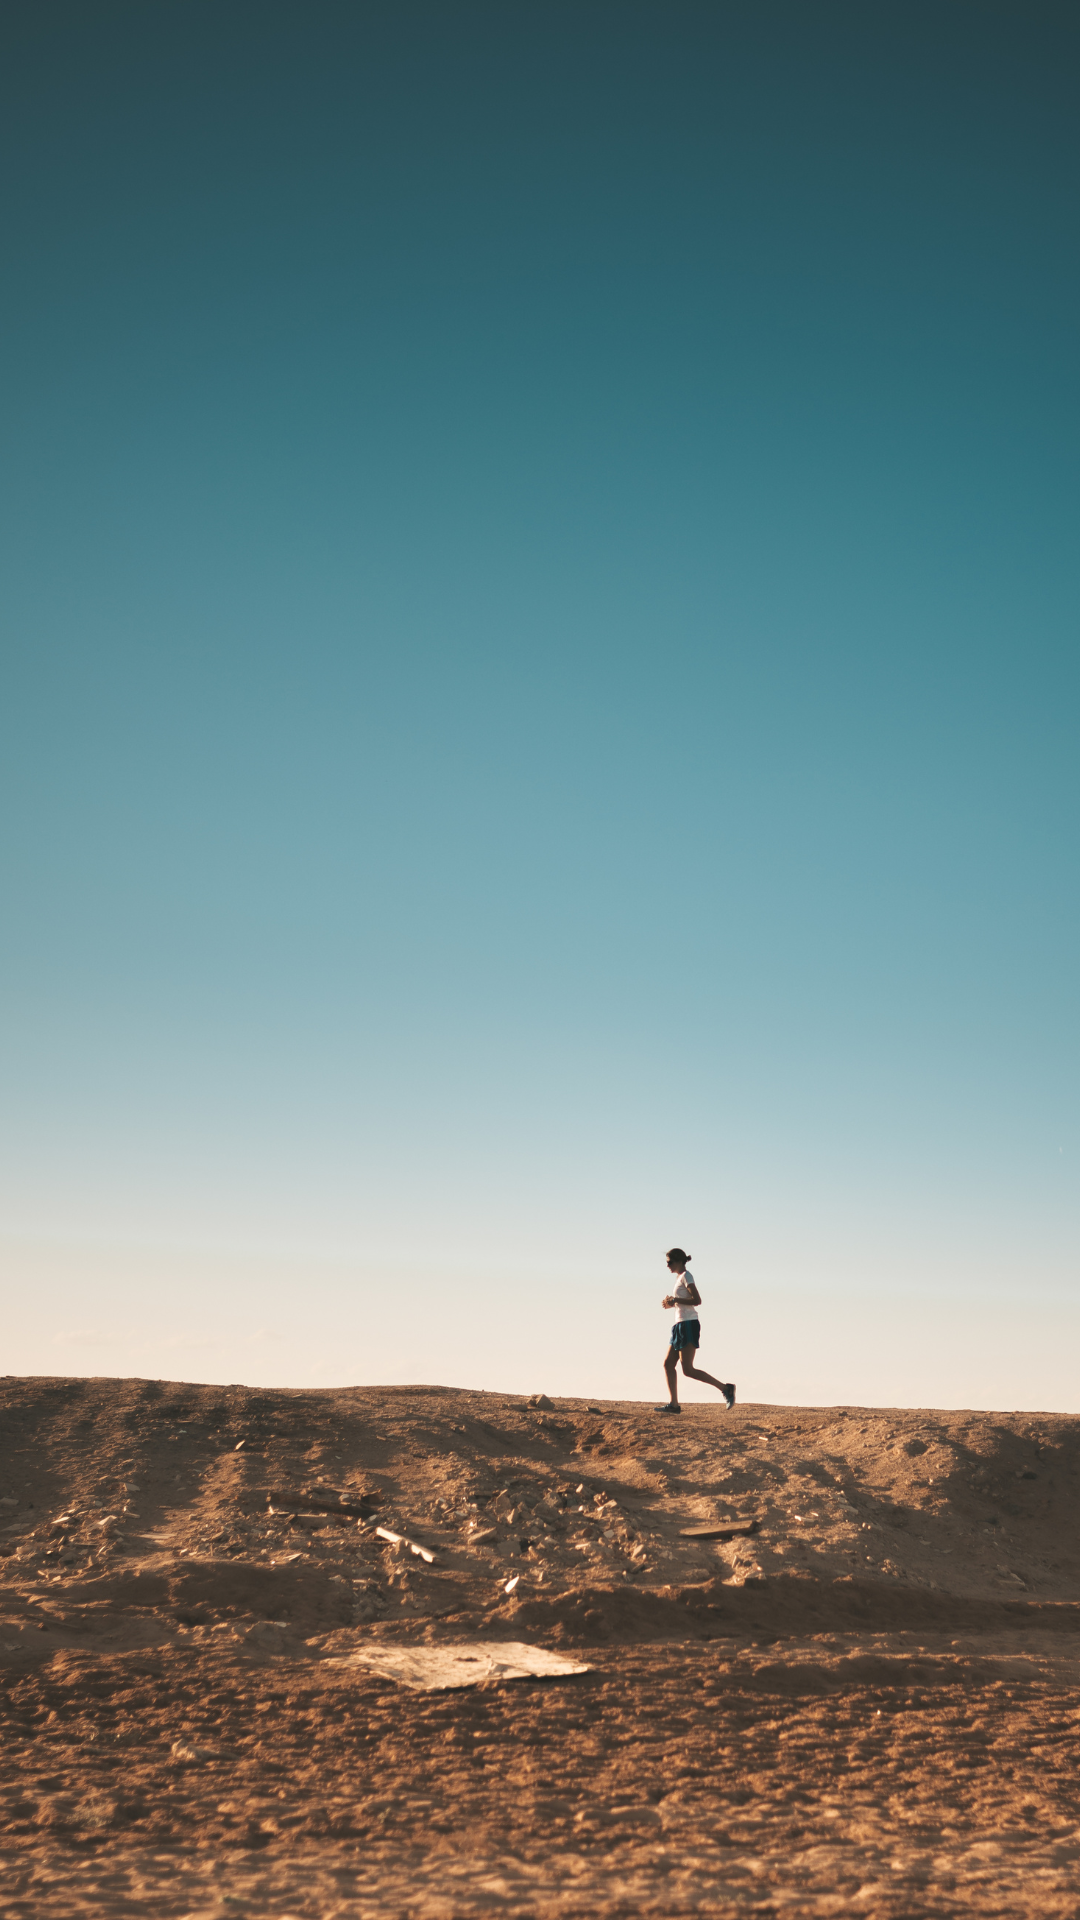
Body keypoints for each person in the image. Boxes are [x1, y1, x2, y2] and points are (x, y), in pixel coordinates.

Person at [656, 1247, 735, 1413]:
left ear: (679, 1261)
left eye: (670, 1262)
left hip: (688, 1325)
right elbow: (684, 1302)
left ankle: (725, 1388)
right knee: (668, 1364)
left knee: (688, 1370)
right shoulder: (679, 1278)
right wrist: (672, 1303)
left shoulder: (687, 1276)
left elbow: (697, 1300)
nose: (667, 1265)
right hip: (679, 1325)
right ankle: (674, 1405)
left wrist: (675, 1299)